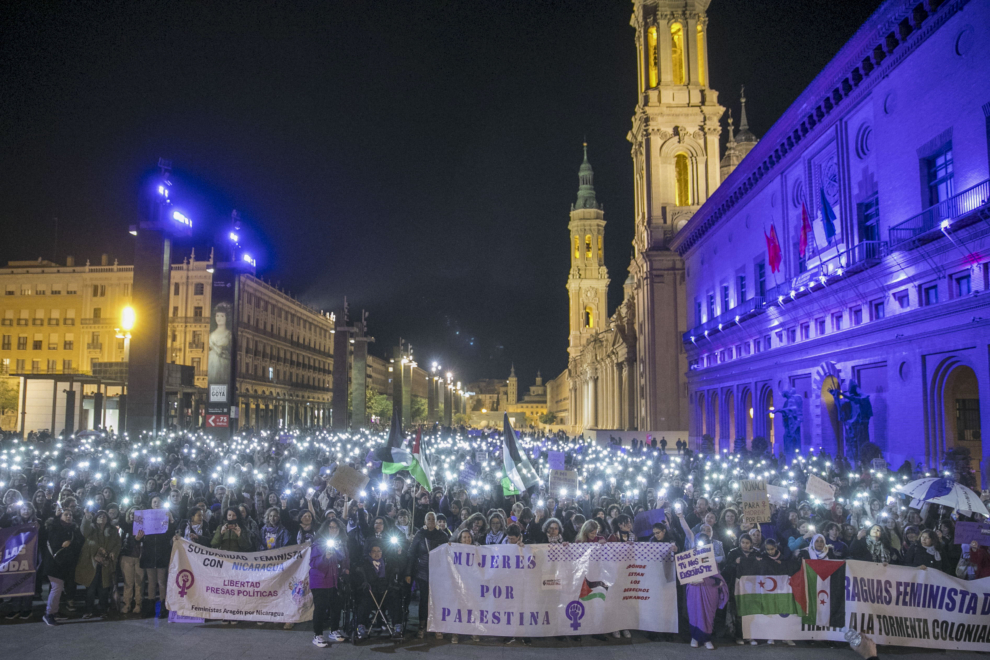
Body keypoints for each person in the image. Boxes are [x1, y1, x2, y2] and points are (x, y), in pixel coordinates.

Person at [406, 511, 448, 639]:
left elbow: (447, 554)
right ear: (425, 521)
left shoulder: (443, 536)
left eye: (433, 519)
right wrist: (408, 573)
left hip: (438, 573)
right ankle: (422, 625)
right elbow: (412, 554)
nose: (431, 521)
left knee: (437, 600)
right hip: (423, 572)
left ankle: (437, 626)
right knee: (424, 599)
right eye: (428, 519)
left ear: (436, 522)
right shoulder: (419, 535)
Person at [310, 518, 349, 647]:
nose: (334, 530)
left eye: (336, 528)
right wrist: (325, 557)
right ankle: (318, 634)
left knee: (336, 606)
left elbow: (344, 559)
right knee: (320, 608)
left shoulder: (340, 543)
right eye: (331, 527)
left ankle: (334, 630)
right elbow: (314, 564)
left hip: (334, 581)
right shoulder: (318, 543)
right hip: (320, 580)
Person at [76, 509, 121, 619]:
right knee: (90, 587)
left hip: (106, 563)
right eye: (99, 516)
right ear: (96, 518)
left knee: (104, 588)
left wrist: (113, 552)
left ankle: (103, 610)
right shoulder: (91, 529)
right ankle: (88, 610)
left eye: (104, 516)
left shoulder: (113, 531)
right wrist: (86, 518)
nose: (102, 518)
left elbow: (118, 544)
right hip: (92, 563)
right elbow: (84, 530)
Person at [42, 508, 82, 626]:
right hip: (54, 563)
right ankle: (49, 613)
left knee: (58, 588)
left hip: (65, 564)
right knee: (56, 587)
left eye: (70, 514)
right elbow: (53, 541)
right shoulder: (54, 527)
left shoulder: (73, 529)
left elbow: (79, 542)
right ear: (60, 516)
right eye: (66, 514)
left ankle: (54, 611)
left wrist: (71, 543)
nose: (69, 516)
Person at [137, 495, 173, 618]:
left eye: (159, 501)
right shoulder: (145, 517)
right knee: (151, 582)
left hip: (162, 553)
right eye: (154, 501)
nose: (156, 503)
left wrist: (171, 520)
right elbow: (138, 533)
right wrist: (138, 537)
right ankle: (150, 607)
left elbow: (171, 534)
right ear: (151, 504)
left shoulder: (166, 516)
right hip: (149, 553)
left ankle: (164, 607)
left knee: (161, 581)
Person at [686, 574, 729, 649]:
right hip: (694, 586)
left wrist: (719, 580)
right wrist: (689, 579)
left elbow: (716, 569)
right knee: (694, 611)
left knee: (709, 614)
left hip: (710, 586)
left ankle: (707, 638)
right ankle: (695, 637)